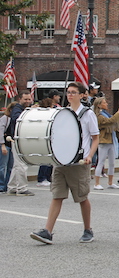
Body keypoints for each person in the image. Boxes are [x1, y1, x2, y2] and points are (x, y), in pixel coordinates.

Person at [30, 82, 100, 244]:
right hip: (61, 161)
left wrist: (90, 155)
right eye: (68, 92)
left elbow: (95, 138)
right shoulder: (62, 112)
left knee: (82, 197)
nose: (70, 95)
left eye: (74, 92)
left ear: (82, 95)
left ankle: (88, 229)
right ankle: (47, 231)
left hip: (79, 162)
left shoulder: (87, 114)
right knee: (57, 196)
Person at [93, 97, 119, 190]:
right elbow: (110, 121)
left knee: (112, 163)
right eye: (104, 102)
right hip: (103, 140)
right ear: (99, 105)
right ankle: (96, 183)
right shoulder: (99, 116)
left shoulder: (107, 114)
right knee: (101, 162)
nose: (107, 104)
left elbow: (117, 124)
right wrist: (118, 113)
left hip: (111, 139)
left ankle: (110, 183)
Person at [6, 90, 35, 196]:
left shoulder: (22, 109)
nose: (28, 101)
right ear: (20, 99)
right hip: (17, 140)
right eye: (25, 99)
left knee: (16, 165)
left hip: (20, 139)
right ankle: (22, 189)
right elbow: (17, 118)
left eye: (29, 99)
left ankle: (12, 187)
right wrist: (29, 112)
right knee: (21, 164)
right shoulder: (17, 109)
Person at [0, 102, 17, 193]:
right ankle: (1, 185)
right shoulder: (5, 119)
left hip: (12, 145)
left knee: (11, 167)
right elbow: (1, 132)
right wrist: (2, 145)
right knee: (2, 166)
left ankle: (7, 184)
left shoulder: (15, 119)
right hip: (5, 144)